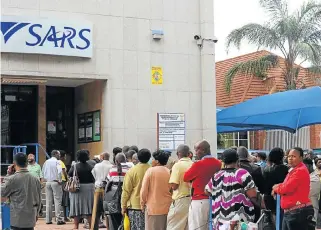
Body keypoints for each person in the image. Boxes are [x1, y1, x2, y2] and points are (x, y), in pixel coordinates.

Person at [206, 149, 258, 229]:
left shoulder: (216, 175)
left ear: (223, 162)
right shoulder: (242, 173)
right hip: (240, 221)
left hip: (220, 220)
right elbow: (253, 195)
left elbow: (207, 191)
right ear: (237, 160)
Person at [272, 147, 316, 230]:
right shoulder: (294, 170)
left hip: (298, 212)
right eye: (289, 156)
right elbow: (285, 185)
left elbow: (285, 188)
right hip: (292, 212)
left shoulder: (300, 171)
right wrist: (277, 187)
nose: (290, 158)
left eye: (294, 156)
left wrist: (275, 188)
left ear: (301, 158)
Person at [183, 140, 221, 230]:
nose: (195, 153)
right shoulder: (218, 163)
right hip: (215, 200)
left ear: (203, 150)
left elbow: (186, 177)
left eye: (196, 150)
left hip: (199, 200)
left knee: (197, 227)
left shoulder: (198, 164)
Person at [1, 153, 42, 230]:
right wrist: (37, 213)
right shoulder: (35, 179)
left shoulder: (12, 179)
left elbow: (2, 192)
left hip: (17, 219)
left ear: (14, 163)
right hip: (31, 218)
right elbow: (39, 198)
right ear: (27, 163)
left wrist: (8, 175)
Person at [140, 150, 172, 230]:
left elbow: (144, 190)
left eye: (153, 159)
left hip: (153, 208)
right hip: (167, 207)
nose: (151, 160)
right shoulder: (169, 172)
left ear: (157, 161)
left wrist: (142, 203)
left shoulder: (150, 171)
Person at [121, 148, 151, 230]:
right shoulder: (152, 169)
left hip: (135, 206)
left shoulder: (132, 171)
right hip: (151, 206)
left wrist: (123, 206)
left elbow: (126, 191)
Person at [167, 144, 193, 230]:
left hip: (180, 199)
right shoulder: (193, 164)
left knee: (173, 226)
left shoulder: (177, 165)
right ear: (189, 153)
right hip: (192, 200)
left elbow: (174, 186)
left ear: (178, 153)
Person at [68, 150, 95, 230]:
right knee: (89, 208)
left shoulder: (75, 166)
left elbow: (69, 174)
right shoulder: (91, 166)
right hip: (89, 188)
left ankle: (76, 226)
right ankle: (91, 226)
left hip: (77, 188)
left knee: (76, 207)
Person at [263, 148, 288, 225]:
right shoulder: (284, 168)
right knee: (281, 220)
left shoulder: (266, 169)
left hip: (268, 197)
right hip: (280, 197)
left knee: (272, 220)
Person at [106, 153, 131, 230]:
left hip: (113, 197)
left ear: (116, 161)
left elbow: (107, 181)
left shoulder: (112, 169)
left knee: (114, 218)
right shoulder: (130, 169)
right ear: (125, 160)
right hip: (127, 196)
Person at [42, 150, 65, 225]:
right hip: (56, 182)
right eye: (58, 154)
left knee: (48, 201)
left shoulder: (46, 162)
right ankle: (58, 219)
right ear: (55, 154)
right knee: (57, 201)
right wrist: (60, 180)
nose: (59, 155)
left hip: (48, 182)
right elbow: (59, 172)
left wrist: (46, 178)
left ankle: (48, 219)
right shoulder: (57, 162)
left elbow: (43, 172)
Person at [91, 152, 113, 229]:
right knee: (108, 211)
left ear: (102, 157)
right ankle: (109, 227)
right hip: (107, 190)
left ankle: (94, 227)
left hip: (98, 188)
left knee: (96, 210)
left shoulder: (97, 165)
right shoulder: (112, 166)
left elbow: (93, 174)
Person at [303, 158, 321, 222]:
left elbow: (311, 194)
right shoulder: (306, 175)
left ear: (309, 166)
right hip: (304, 208)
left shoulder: (314, 178)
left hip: (312, 207)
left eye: (304, 165)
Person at [59, 150, 70, 223]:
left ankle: (62, 216)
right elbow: (64, 172)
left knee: (62, 200)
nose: (65, 157)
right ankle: (65, 217)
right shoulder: (61, 163)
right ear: (62, 156)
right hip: (63, 182)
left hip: (58, 182)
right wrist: (67, 179)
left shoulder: (56, 162)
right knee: (65, 199)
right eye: (65, 156)